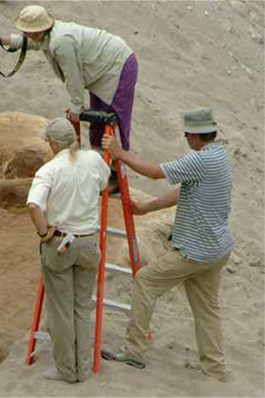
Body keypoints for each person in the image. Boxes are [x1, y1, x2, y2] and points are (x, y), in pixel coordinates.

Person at [101, 108, 234, 382]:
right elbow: (184, 190)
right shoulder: (220, 156)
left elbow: (154, 173)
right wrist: (148, 208)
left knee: (145, 281)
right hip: (217, 249)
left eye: (187, 133)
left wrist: (119, 153)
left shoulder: (199, 160)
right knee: (207, 309)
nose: (185, 137)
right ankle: (214, 369)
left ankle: (134, 351)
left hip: (195, 251)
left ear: (196, 135)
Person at [27, 118, 110, 382]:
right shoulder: (94, 160)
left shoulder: (49, 170)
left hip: (61, 242)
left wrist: (43, 234)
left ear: (53, 143)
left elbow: (33, 206)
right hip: (88, 241)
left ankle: (66, 370)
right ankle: (83, 369)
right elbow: (103, 186)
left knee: (62, 311)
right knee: (82, 307)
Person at [0, 5, 138, 151]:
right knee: (98, 120)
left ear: (38, 29)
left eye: (27, 30)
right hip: (100, 66)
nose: (24, 33)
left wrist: (77, 106)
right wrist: (1, 40)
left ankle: (116, 165)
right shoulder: (48, 33)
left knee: (112, 119)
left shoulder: (61, 41)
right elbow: (31, 42)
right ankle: (98, 158)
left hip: (117, 65)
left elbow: (73, 75)